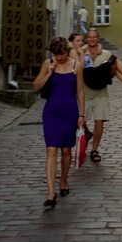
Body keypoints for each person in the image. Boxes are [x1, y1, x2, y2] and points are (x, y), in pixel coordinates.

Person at [33, 36, 85, 209]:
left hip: (70, 112)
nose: (59, 57)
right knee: (51, 149)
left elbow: (80, 91)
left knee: (66, 149)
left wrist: (82, 115)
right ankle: (50, 193)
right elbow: (36, 87)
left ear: (66, 51)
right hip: (51, 112)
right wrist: (49, 73)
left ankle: (63, 179)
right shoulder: (48, 63)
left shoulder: (76, 66)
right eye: (56, 54)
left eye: (61, 54)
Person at [83, 28, 122, 162]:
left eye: (94, 37)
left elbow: (113, 71)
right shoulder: (81, 53)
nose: (92, 39)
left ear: (98, 38)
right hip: (85, 92)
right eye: (89, 37)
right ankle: (87, 133)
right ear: (86, 39)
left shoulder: (106, 54)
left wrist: (117, 76)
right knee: (81, 121)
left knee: (99, 120)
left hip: (101, 92)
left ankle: (94, 150)